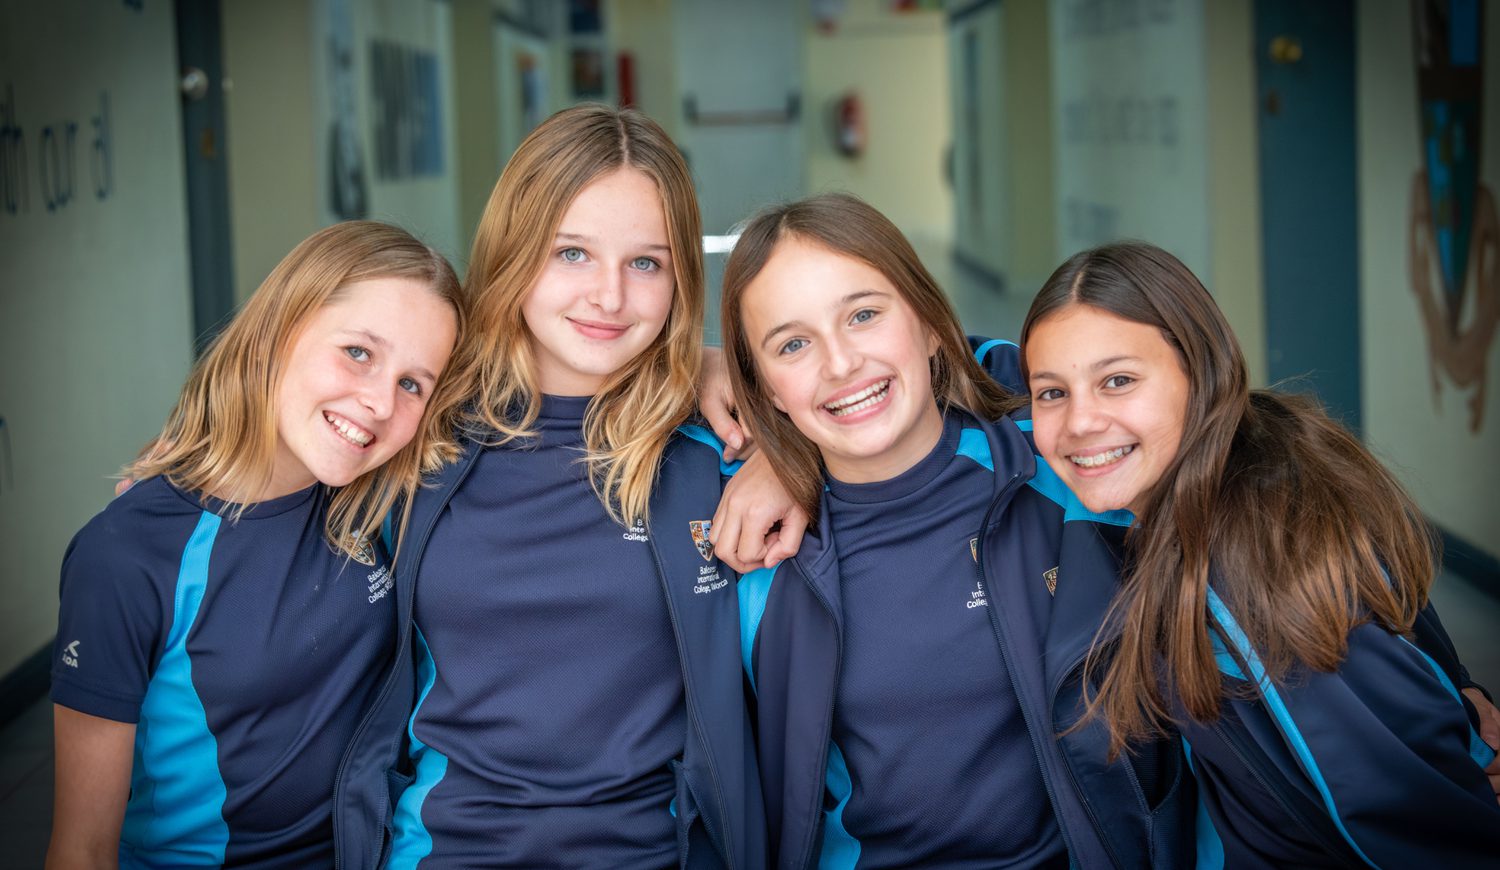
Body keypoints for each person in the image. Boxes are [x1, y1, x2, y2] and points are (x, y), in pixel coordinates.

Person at [334, 105, 791, 870]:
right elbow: (293, 417)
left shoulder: (712, 450)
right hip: (446, 852)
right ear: (515, 251)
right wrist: (190, 477)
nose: (608, 297)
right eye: (571, 253)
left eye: (645, 263)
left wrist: (789, 453)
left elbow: (935, 386)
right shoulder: (417, 431)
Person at [720, 193, 1193, 869]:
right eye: (793, 344)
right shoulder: (759, 554)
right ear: (764, 386)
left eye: (863, 314)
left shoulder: (1068, 473)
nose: (840, 363)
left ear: (931, 324)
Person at [1020, 241, 1500, 867]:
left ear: (1202, 374)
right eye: (1051, 392)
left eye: (1118, 381)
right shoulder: (1262, 458)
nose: (1080, 422)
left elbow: (1409, 829)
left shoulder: (1255, 575)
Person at [46, 221, 464, 868]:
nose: (380, 400)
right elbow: (82, 847)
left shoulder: (384, 504)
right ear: (278, 330)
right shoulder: (128, 554)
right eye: (357, 351)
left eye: (414, 383)